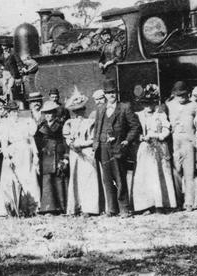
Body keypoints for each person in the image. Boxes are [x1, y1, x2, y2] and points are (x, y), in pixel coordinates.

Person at [92, 78, 141, 216]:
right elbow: (97, 128)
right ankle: (112, 208)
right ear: (105, 95)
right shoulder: (100, 109)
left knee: (120, 178)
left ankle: (124, 208)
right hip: (102, 147)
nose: (111, 95)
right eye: (108, 93)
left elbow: (135, 126)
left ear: (116, 93)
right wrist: (96, 143)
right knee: (107, 179)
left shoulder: (125, 107)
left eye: (113, 92)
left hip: (118, 147)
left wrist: (127, 140)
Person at [132, 84, 176, 213]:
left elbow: (167, 129)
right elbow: (133, 130)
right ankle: (146, 205)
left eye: (150, 103)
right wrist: (139, 137)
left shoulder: (160, 114)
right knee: (146, 176)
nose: (148, 107)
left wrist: (159, 136)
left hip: (159, 147)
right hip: (145, 148)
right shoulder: (138, 115)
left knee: (160, 174)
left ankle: (161, 203)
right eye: (145, 104)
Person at [0, 101, 40, 216]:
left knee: (28, 178)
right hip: (14, 153)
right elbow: (4, 144)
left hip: (27, 152)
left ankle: (31, 207)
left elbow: (31, 139)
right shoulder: (5, 125)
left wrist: (35, 155)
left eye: (16, 111)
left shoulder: (25, 122)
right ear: (8, 113)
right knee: (14, 179)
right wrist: (7, 157)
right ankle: (13, 208)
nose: (14, 114)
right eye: (11, 112)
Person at [62, 90, 99, 216]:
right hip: (75, 153)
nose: (79, 114)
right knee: (76, 178)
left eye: (81, 110)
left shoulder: (90, 122)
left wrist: (81, 144)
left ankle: (89, 208)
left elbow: (92, 139)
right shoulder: (69, 123)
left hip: (87, 151)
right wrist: (71, 144)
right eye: (76, 111)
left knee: (88, 177)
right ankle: (76, 206)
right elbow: (67, 137)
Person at [165, 81, 197, 211]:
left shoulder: (194, 105)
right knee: (176, 171)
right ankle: (177, 200)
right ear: (174, 95)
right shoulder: (169, 105)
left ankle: (189, 202)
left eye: (184, 94)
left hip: (188, 142)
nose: (181, 97)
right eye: (179, 95)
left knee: (189, 173)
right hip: (174, 141)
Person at [36, 101, 69, 214]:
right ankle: (48, 208)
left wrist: (65, 157)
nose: (49, 116)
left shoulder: (60, 126)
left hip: (57, 155)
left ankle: (61, 207)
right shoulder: (41, 127)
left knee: (58, 179)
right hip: (45, 156)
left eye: (51, 113)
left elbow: (64, 142)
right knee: (47, 180)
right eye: (46, 113)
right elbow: (37, 142)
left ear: (55, 114)